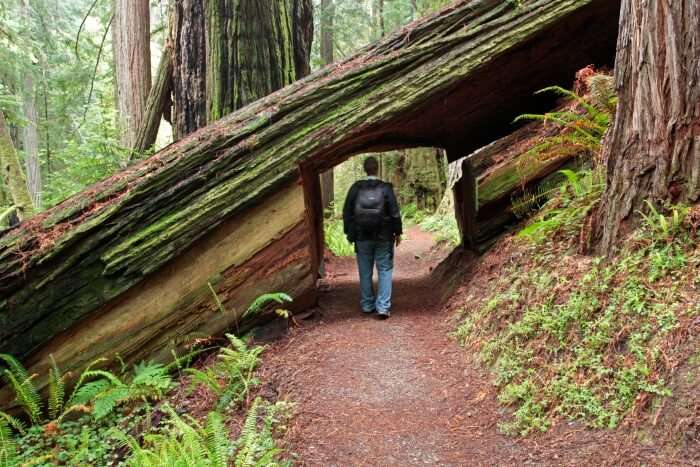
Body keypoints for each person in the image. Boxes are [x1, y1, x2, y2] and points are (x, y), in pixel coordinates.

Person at [343, 156, 402, 319]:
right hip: (384, 237)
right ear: (377, 169)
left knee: (365, 271)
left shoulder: (356, 188)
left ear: (365, 169)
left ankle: (368, 305)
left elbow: (347, 212)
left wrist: (349, 233)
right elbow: (394, 212)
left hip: (362, 237)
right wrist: (398, 232)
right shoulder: (385, 188)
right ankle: (383, 307)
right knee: (384, 269)